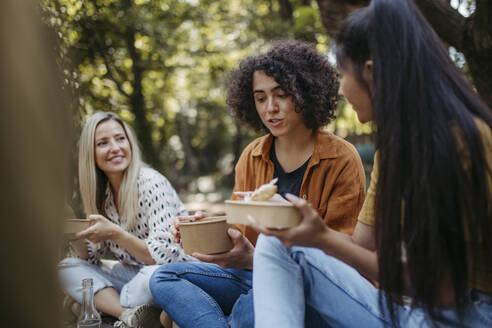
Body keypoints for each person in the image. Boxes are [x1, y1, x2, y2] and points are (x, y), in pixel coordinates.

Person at [250, 0, 492, 327]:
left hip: (468, 313)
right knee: (277, 241)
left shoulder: (459, 140)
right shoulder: (393, 151)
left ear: (372, 72)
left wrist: (322, 238)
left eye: (343, 75)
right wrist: (305, 230)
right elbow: (362, 249)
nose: (340, 90)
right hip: (414, 309)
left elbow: (442, 290)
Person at [149, 40, 367, 327]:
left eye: (282, 95)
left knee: (245, 309)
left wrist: (258, 261)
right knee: (164, 277)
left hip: (307, 285)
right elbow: (240, 236)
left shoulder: (341, 158)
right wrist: (206, 228)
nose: (270, 109)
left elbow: (342, 261)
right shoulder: (251, 157)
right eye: (260, 98)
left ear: (307, 94)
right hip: (250, 277)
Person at [59, 112, 191, 328]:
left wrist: (115, 233)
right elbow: (88, 258)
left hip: (168, 275)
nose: (115, 148)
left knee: (152, 278)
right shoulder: (104, 195)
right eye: (103, 143)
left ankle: (93, 303)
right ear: (90, 154)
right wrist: (70, 224)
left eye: (120, 139)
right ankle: (130, 315)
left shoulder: (151, 183)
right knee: (66, 267)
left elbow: (165, 258)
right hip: (132, 277)